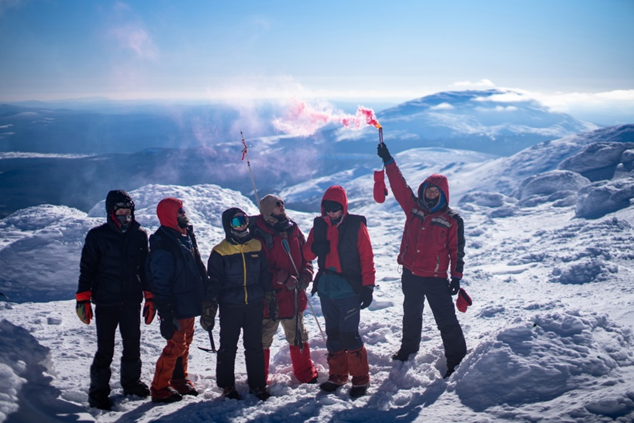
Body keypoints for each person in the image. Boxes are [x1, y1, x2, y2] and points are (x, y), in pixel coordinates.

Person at [377, 142, 467, 378]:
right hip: (410, 274)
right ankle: (408, 349)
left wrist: (456, 277)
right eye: (428, 190)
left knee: (446, 320)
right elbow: (399, 186)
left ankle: (457, 360)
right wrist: (388, 160)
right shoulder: (413, 208)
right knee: (411, 314)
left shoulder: (452, 220)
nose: (431, 194)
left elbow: (457, 251)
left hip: (435, 279)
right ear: (423, 190)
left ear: (443, 194)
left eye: (436, 191)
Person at [76, 190, 152, 410]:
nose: (124, 215)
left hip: (131, 299)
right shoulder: (97, 236)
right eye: (120, 211)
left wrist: (150, 296)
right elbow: (87, 268)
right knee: (105, 348)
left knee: (133, 344)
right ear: (111, 212)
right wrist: (83, 298)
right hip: (106, 300)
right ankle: (98, 392)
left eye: (128, 210)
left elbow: (144, 268)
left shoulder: (139, 234)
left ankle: (131, 383)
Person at [302, 185, 375, 398]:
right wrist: (315, 248)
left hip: (349, 288)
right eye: (328, 209)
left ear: (344, 207)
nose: (331, 213)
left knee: (349, 334)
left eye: (335, 209)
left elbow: (367, 257)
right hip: (327, 287)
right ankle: (338, 375)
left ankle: (361, 378)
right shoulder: (319, 226)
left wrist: (368, 287)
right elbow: (306, 254)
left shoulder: (356, 226)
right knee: (333, 333)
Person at [206, 207, 275, 401]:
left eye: (244, 220)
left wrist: (269, 295)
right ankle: (227, 385)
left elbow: (264, 274)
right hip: (231, 306)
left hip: (254, 304)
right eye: (237, 222)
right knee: (228, 346)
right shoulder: (220, 251)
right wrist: (210, 304)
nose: (242, 225)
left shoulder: (256, 245)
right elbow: (214, 281)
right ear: (228, 226)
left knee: (254, 346)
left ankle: (258, 384)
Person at [251, 194, 318, 385]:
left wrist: (306, 275)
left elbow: (306, 258)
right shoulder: (259, 234)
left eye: (282, 203)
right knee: (263, 340)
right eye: (277, 204)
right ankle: (259, 379)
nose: (282, 206)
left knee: (298, 336)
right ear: (267, 210)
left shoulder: (293, 229)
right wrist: (284, 278)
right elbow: (260, 268)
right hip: (270, 298)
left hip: (293, 295)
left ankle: (305, 374)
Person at [146, 197, 208, 403]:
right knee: (175, 346)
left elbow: (197, 265)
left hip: (188, 300)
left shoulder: (185, 235)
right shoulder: (164, 243)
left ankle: (179, 379)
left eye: (183, 211)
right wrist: (166, 311)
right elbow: (160, 280)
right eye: (179, 212)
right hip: (175, 304)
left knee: (185, 342)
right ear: (169, 216)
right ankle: (159, 387)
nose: (184, 214)